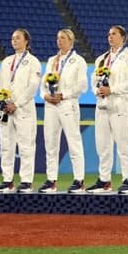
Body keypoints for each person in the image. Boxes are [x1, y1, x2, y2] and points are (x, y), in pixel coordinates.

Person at [87, 25, 128, 194]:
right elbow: (93, 80)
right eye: (109, 34)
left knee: (124, 143)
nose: (110, 37)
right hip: (102, 104)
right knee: (102, 145)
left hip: (120, 104)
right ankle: (104, 180)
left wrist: (113, 89)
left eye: (114, 34)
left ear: (123, 37)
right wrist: (97, 90)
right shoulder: (101, 59)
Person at [38, 29, 89, 194]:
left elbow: (83, 85)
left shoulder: (78, 61)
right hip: (51, 105)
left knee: (74, 142)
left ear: (71, 41)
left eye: (63, 38)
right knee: (50, 144)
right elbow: (43, 83)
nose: (59, 41)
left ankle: (79, 180)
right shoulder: (52, 60)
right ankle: (51, 180)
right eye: (58, 38)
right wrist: (44, 95)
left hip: (68, 103)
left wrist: (64, 94)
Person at [0, 29, 42, 193]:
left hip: (23, 109)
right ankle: (7, 180)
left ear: (26, 41)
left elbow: (33, 86)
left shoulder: (33, 61)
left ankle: (27, 181)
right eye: (12, 38)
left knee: (26, 146)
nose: (14, 40)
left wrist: (17, 103)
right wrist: (3, 100)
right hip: (6, 109)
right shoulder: (7, 61)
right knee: (6, 146)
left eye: (18, 38)